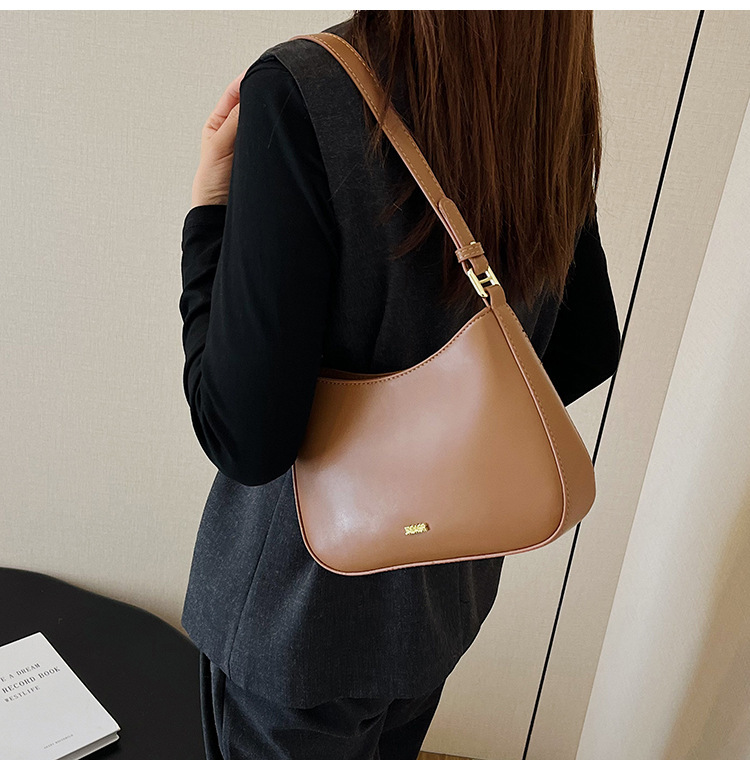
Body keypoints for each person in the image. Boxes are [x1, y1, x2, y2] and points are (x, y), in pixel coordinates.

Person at [178, 11, 621, 760]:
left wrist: (207, 213)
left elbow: (243, 437)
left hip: (295, 626)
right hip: (440, 604)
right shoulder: (549, 88)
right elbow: (583, 350)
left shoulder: (305, 89)